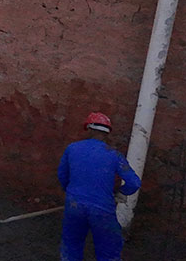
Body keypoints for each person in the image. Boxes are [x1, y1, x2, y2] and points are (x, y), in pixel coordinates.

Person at [58, 112, 140, 261]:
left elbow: (62, 176)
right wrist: (121, 193)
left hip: (74, 205)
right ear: (107, 134)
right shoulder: (114, 155)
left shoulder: (72, 148)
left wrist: (71, 194)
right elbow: (134, 183)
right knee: (109, 252)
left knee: (71, 245)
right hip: (102, 209)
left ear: (88, 129)